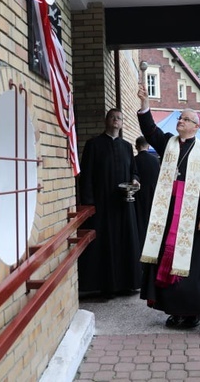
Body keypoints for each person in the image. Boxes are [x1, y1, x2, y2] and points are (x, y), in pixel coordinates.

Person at [136, 86, 200, 328]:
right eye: (180, 118)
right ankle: (174, 309)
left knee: (191, 265)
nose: (180, 121)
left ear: (196, 126)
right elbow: (150, 130)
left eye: (186, 119)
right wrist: (145, 105)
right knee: (167, 257)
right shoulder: (168, 143)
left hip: (191, 214)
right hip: (168, 211)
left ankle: (194, 311)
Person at [78, 109, 142, 298]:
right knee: (105, 244)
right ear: (106, 120)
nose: (116, 120)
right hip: (102, 205)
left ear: (122, 123)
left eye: (119, 118)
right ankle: (104, 286)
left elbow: (134, 171)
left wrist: (135, 180)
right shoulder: (93, 145)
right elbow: (86, 176)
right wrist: (89, 204)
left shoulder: (127, 147)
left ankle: (127, 284)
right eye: (113, 117)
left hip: (123, 204)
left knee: (125, 242)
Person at [134, 136, 160, 245]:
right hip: (153, 195)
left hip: (138, 196)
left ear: (136, 147)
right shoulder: (155, 160)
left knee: (139, 222)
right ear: (148, 146)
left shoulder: (133, 160)